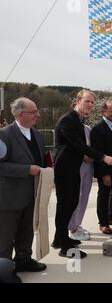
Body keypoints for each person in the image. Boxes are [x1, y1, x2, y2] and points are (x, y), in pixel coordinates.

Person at [53, 90, 112, 259]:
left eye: (92, 102)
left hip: (73, 169)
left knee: (70, 203)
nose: (90, 105)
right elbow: (79, 145)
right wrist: (103, 157)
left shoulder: (78, 121)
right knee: (65, 205)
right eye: (87, 101)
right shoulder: (68, 120)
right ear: (78, 100)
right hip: (65, 170)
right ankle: (64, 247)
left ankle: (59, 239)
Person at [0, 97, 46, 276]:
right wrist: (27, 169)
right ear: (20, 115)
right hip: (10, 196)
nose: (37, 115)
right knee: (5, 236)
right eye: (33, 112)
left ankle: (23, 260)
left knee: (26, 230)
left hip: (32, 193)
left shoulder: (38, 135)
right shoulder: (4, 135)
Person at [91, 100, 112, 235]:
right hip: (105, 169)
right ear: (104, 112)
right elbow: (97, 153)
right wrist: (103, 174)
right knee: (104, 195)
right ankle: (103, 223)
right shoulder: (98, 128)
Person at [66, 122, 93, 241]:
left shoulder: (87, 128)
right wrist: (82, 156)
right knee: (75, 196)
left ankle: (77, 224)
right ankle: (72, 227)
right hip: (76, 165)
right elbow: (68, 146)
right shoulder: (68, 126)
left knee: (84, 196)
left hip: (89, 165)